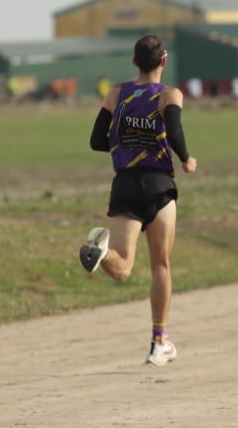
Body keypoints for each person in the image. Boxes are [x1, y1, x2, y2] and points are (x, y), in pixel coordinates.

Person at [78, 35, 198, 366]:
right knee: (160, 264)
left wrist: (126, 146)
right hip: (159, 186)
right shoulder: (170, 94)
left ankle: (101, 252)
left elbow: (95, 141)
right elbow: (174, 131)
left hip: (126, 186)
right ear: (163, 61)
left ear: (134, 62)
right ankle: (159, 342)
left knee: (123, 267)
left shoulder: (117, 94)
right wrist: (186, 158)